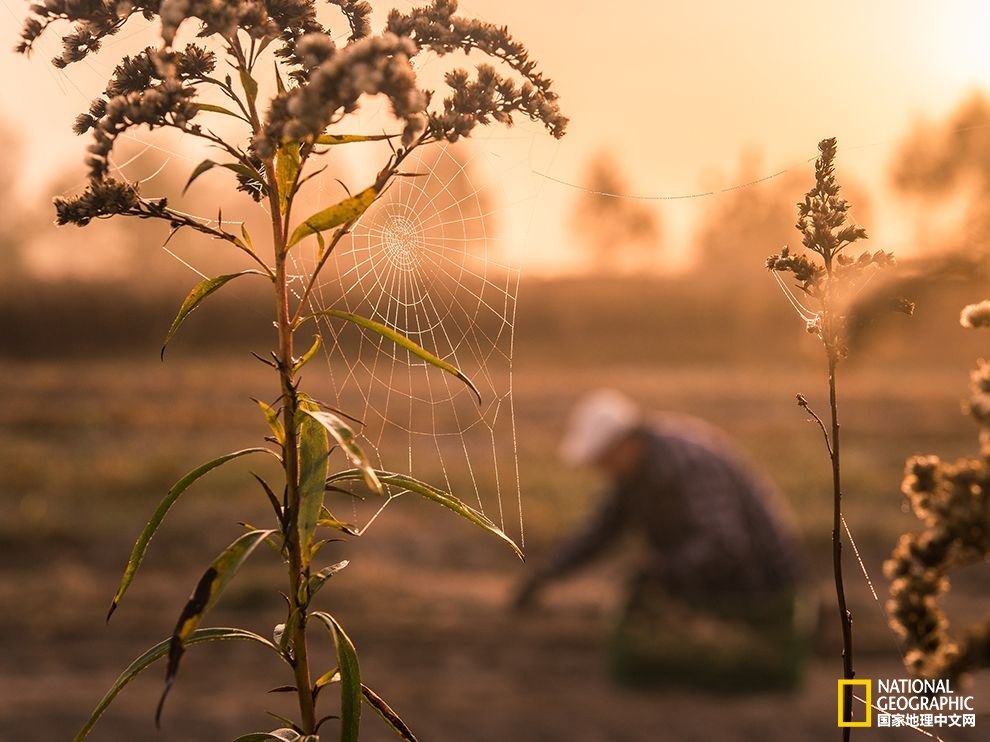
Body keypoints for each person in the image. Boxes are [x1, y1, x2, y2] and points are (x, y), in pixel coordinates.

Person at [514, 389, 807, 691]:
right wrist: (548, 572)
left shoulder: (689, 466)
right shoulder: (634, 476)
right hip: (721, 575)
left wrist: (661, 570)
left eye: (603, 460)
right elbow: (599, 532)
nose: (602, 472)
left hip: (763, 581)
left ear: (624, 443)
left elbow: (725, 545)